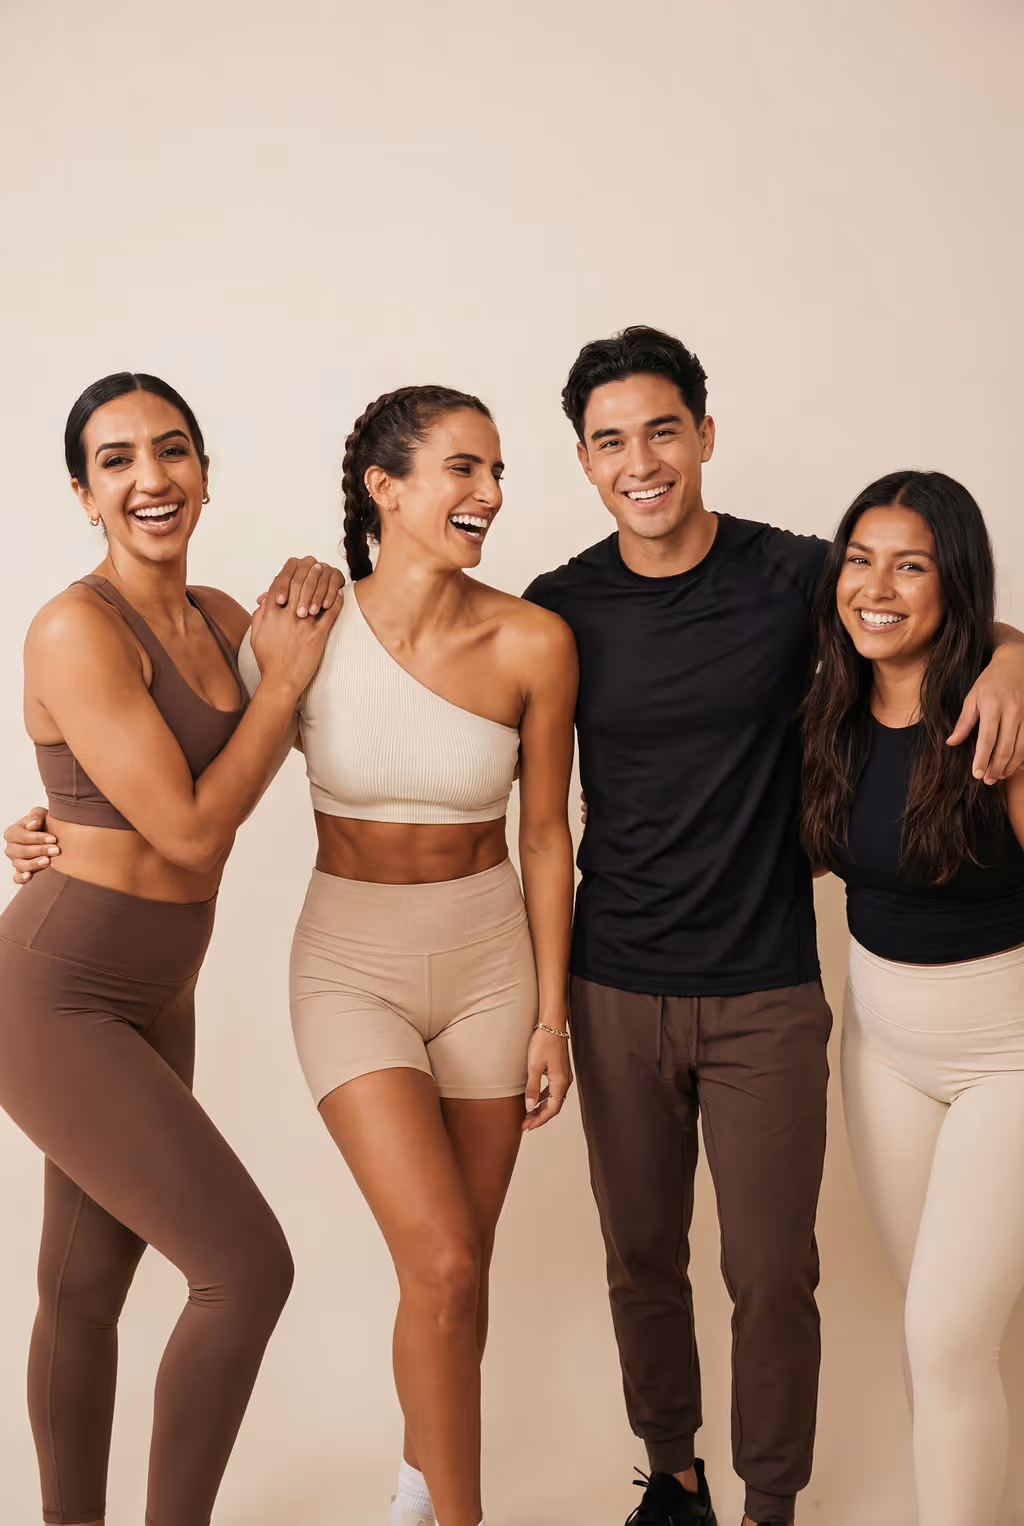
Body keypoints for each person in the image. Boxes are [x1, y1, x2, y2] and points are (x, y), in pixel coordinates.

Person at [521, 327, 1024, 1526]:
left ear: (703, 433)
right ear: (584, 460)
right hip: (611, 980)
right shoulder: (558, 608)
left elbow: (927, 604)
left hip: (765, 988)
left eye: (660, 429)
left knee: (770, 1271)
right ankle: (673, 1472)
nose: (638, 460)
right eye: (608, 439)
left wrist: (1015, 662)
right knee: (641, 1256)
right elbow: (482, 758)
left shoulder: (797, 576)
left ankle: (769, 1502)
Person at [0, 370, 342, 1526]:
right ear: (83, 492)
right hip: (56, 994)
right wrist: (283, 683)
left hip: (158, 987)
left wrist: (315, 624)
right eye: (117, 459)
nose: (152, 477)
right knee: (246, 1268)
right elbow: (194, 829)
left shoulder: (223, 621)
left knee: (85, 1284)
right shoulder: (71, 625)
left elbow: (330, 722)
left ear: (204, 471)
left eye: (174, 449)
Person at [235, 383, 577, 1526]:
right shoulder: (300, 624)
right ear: (386, 487)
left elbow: (543, 834)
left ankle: (416, 1492)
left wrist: (549, 1018)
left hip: (491, 970)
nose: (488, 493)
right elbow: (188, 768)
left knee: (456, 1273)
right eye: (462, 470)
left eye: (495, 473)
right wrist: (48, 820)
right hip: (350, 968)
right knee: (439, 1263)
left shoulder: (532, 638)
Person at [802, 471, 1024, 1526]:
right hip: (883, 1050)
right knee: (936, 1337)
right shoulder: (828, 698)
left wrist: (1017, 657)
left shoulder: (1000, 710)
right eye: (859, 557)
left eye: (911, 563)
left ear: (954, 582)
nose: (876, 585)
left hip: (1008, 1058)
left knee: (945, 1334)